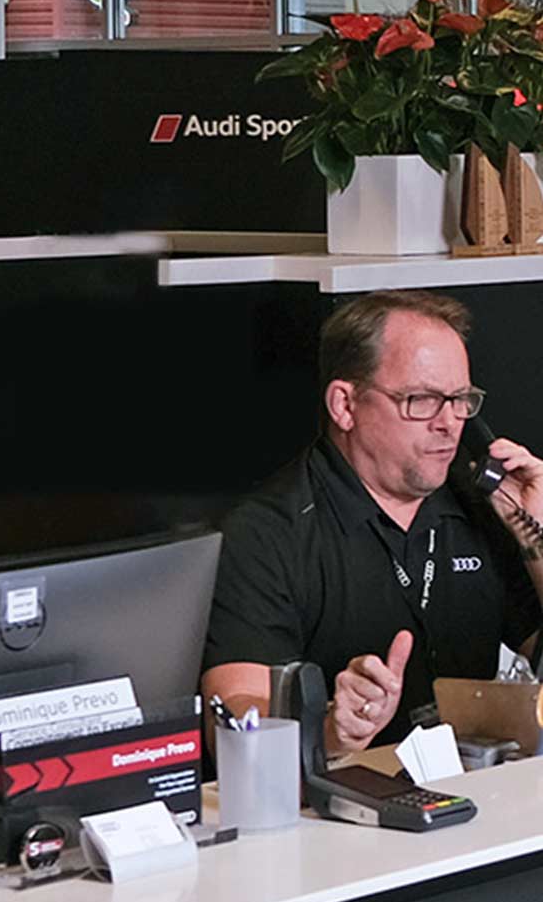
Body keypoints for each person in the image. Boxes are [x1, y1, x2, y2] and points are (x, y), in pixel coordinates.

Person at [202, 289, 543, 755]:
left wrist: (536, 531)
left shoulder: (481, 504)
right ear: (345, 405)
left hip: (481, 796)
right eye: (422, 400)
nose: (450, 423)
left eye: (461, 399)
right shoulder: (268, 531)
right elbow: (233, 717)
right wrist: (326, 730)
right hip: (341, 807)